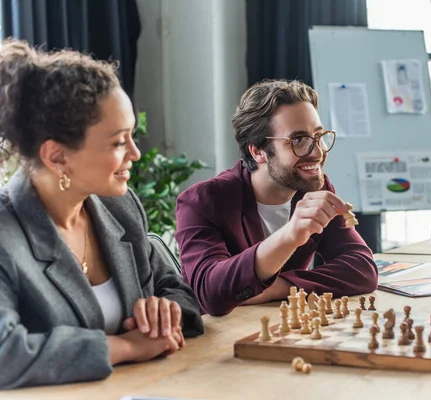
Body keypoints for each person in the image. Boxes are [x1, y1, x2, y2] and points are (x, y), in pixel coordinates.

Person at [0, 39, 204, 389]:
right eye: (119, 142)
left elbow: (176, 288)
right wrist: (122, 346)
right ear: (57, 157)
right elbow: (6, 354)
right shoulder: (6, 236)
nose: (136, 154)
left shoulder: (119, 207)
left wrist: (164, 312)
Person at [175, 79, 378, 316]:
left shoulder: (313, 189)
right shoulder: (202, 201)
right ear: (258, 151)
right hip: (216, 342)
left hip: (281, 330)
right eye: (299, 140)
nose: (318, 152)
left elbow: (362, 269)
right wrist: (290, 235)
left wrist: (274, 289)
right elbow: (210, 293)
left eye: (319, 135)